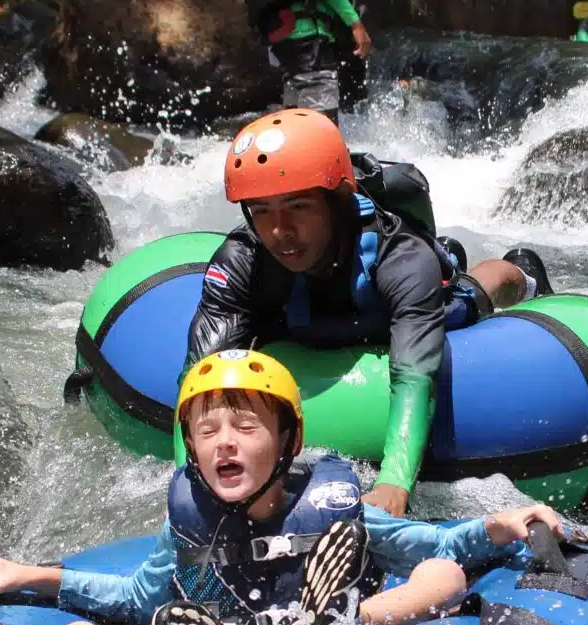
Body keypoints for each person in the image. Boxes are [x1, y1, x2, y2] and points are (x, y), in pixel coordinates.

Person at [0, 349, 568, 625]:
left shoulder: (330, 506)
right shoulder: (186, 523)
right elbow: (136, 598)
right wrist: (36, 576)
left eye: (246, 426)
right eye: (207, 431)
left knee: (443, 578)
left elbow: (422, 544)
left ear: (287, 442)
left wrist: (497, 526)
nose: (224, 442)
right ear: (193, 448)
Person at [188, 108, 552, 518]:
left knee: (468, 299)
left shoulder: (399, 256)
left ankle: (522, 271)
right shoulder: (243, 259)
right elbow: (200, 377)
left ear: (338, 200)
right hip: (307, 317)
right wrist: (193, 485)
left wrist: (394, 481)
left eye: (298, 206)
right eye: (262, 211)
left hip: (385, 309)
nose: (279, 231)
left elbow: (415, 375)